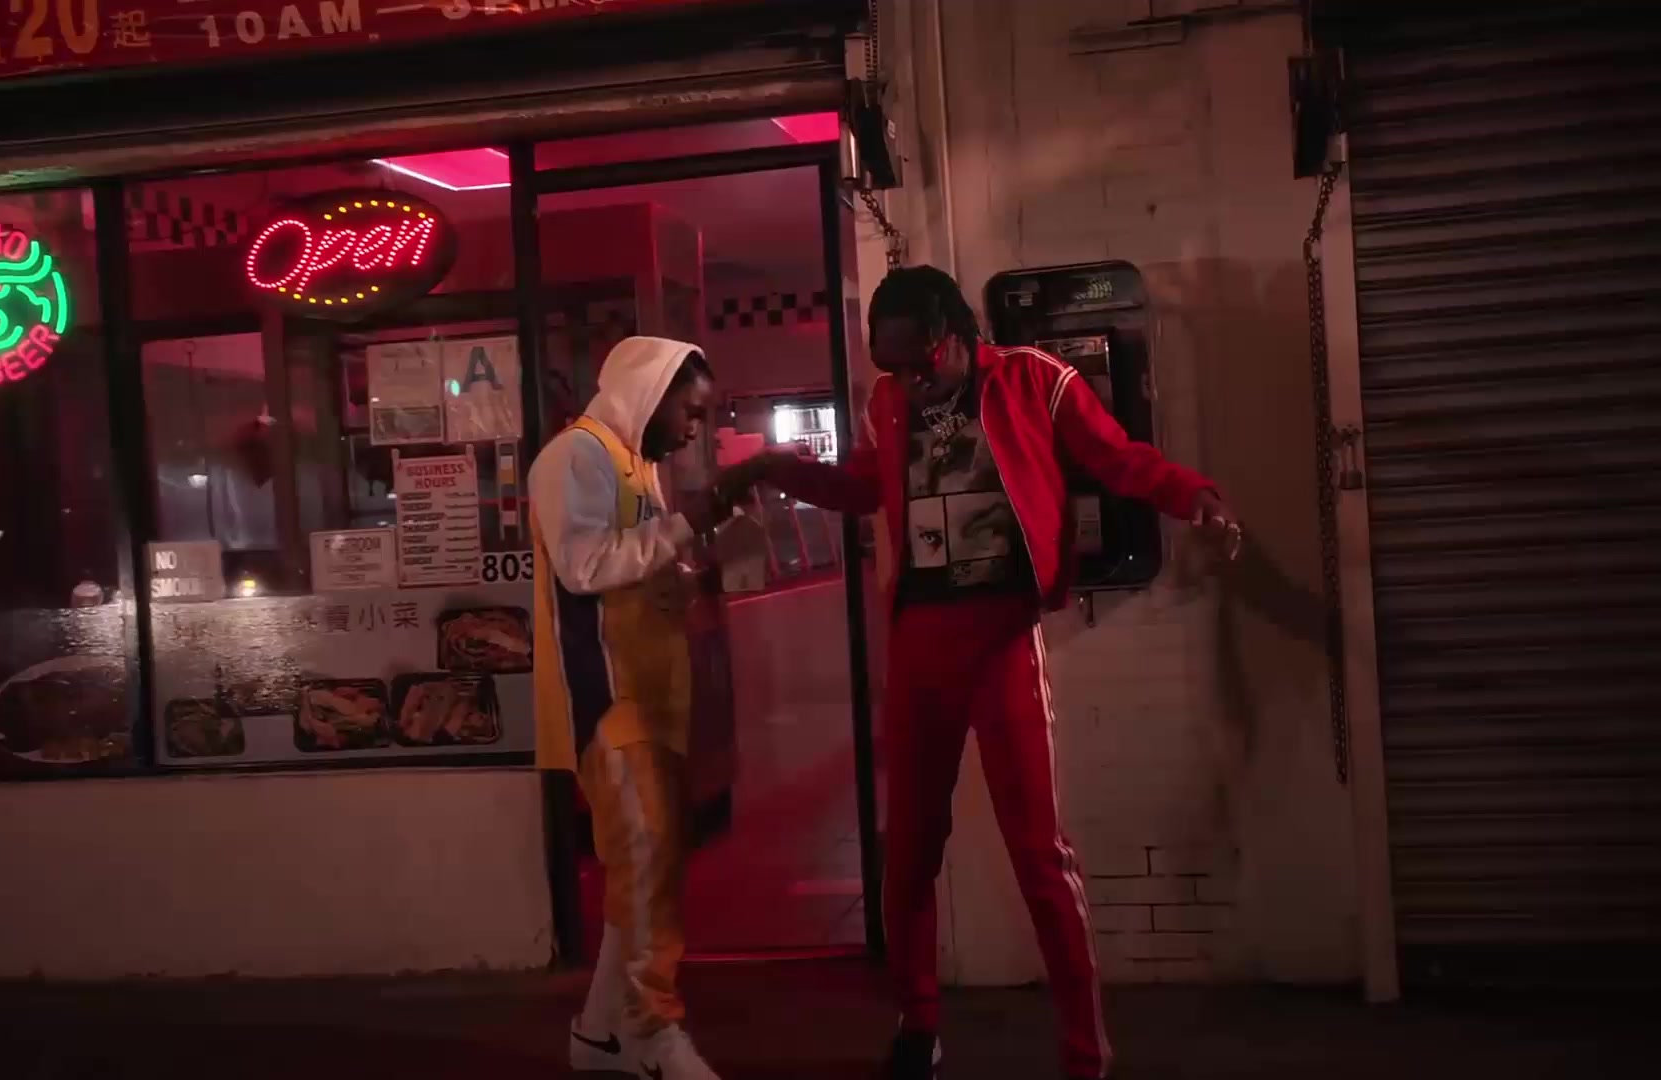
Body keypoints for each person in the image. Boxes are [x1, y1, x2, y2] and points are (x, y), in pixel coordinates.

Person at [719, 266, 1241, 1080]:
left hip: (1002, 639)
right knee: (910, 852)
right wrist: (773, 468)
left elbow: (1118, 458)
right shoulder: (890, 401)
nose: (907, 382)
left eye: (919, 363)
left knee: (1039, 854)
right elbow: (863, 486)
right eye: (891, 368)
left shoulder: (1034, 380)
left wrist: (1195, 495)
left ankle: (1085, 1051)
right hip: (919, 643)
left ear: (957, 335)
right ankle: (918, 1025)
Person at [530, 336, 732, 1080]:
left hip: (648, 698)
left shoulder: (633, 466)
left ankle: (598, 1034)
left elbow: (632, 566)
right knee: (646, 859)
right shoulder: (574, 456)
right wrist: (682, 526)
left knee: (646, 870)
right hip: (607, 698)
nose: (695, 429)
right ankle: (650, 1032)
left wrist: (686, 573)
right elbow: (583, 565)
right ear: (650, 394)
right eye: (691, 411)